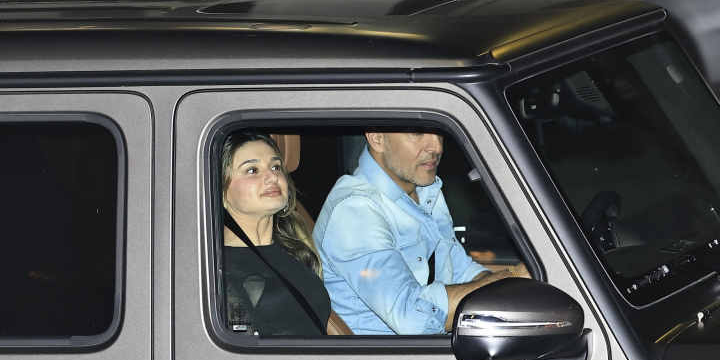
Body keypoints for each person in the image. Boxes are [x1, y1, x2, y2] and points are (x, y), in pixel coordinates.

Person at [313, 128, 530, 335]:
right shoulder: (355, 211)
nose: (436, 146)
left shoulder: (425, 191)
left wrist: (511, 292)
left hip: (428, 352)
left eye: (438, 131)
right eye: (417, 133)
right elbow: (412, 317)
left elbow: (461, 272)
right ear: (378, 138)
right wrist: (515, 276)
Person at [221, 131, 332, 336]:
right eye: (252, 170)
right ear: (221, 191)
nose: (272, 177)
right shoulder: (218, 272)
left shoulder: (297, 248)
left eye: (275, 167)